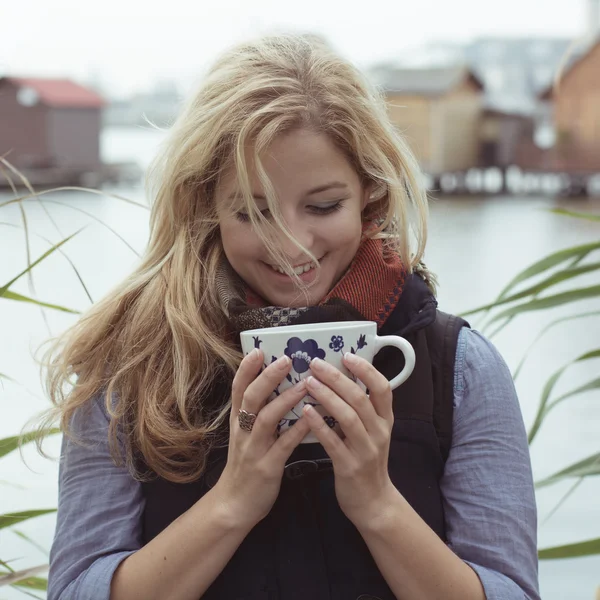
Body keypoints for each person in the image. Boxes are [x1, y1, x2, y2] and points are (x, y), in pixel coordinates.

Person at [42, 34, 540, 600]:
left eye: (323, 206)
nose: (290, 247)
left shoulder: (461, 370)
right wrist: (233, 501)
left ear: (371, 196)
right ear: (207, 209)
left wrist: (378, 505)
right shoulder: (131, 369)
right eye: (252, 212)